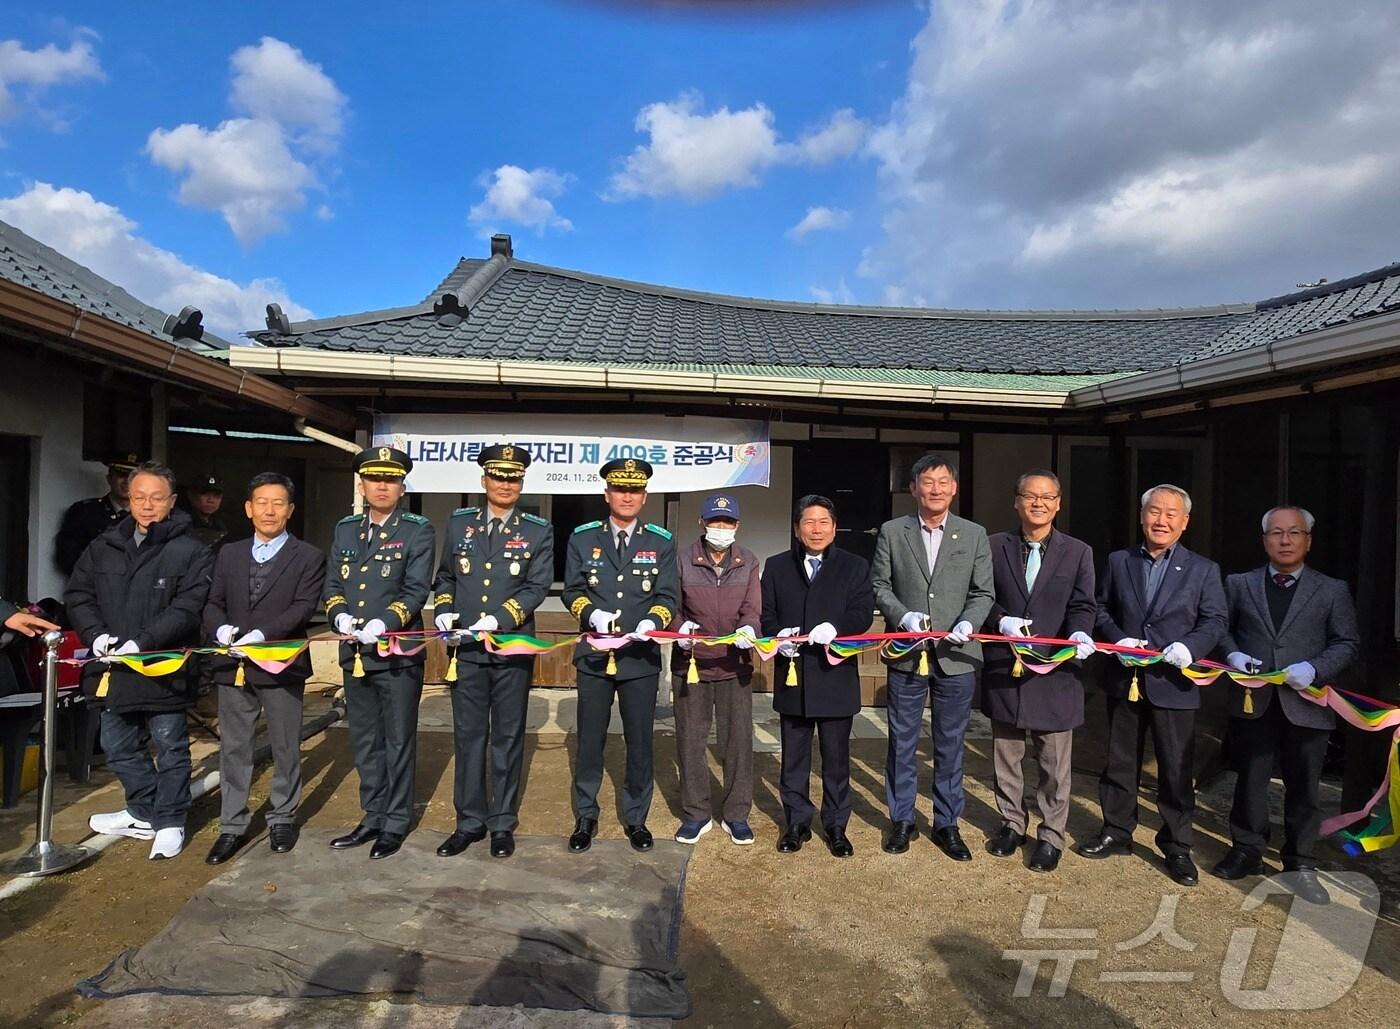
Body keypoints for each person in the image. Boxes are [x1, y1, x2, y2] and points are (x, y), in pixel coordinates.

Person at [1079, 484, 1227, 886]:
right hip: (1125, 676)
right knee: (1120, 759)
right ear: (1142, 516)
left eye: (1170, 514)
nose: (1161, 520)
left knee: (1176, 767)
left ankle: (1177, 845)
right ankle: (1116, 829)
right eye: (1154, 512)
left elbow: (1214, 620)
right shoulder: (1119, 560)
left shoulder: (1203, 569)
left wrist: (1190, 646)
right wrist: (1116, 637)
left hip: (1174, 681)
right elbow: (1101, 606)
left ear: (1184, 522)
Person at [1211, 506, 1359, 905]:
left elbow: (1347, 642)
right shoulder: (1238, 584)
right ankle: (1247, 849)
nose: (1285, 540)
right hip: (1252, 697)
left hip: (1308, 701)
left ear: (1308, 541)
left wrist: (1315, 667)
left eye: (1294, 533)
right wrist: (1234, 657)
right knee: (1251, 779)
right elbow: (1220, 629)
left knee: (1304, 785)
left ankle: (1301, 861)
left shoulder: (1332, 589)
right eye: (1276, 533)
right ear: (1264, 540)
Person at [65, 460, 213, 860]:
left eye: (157, 498)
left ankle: (171, 821)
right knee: (116, 744)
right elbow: (79, 595)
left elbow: (188, 606)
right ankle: (143, 809)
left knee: (170, 746)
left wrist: (144, 641)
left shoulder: (190, 549)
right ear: (128, 499)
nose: (147, 505)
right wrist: (96, 636)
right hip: (111, 663)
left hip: (162, 665)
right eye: (139, 497)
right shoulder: (104, 544)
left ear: (173, 501)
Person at [431, 444, 554, 860]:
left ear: (521, 483)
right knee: (467, 737)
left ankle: (501, 822)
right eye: (498, 477)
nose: (505, 484)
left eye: (513, 478)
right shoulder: (460, 523)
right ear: (484, 480)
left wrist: (500, 618)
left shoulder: (538, 530)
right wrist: (445, 610)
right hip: (466, 649)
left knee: (506, 736)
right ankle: (468, 822)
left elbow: (537, 586)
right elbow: (445, 576)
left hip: (511, 648)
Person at [871, 453, 993, 859]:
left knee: (950, 742)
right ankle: (902, 819)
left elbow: (983, 592)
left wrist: (968, 622)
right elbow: (880, 584)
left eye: (943, 482)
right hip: (907, 652)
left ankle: (947, 822)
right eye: (928, 481)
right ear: (914, 488)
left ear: (954, 488)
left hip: (956, 655)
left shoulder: (974, 534)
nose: (936, 489)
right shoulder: (893, 531)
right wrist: (901, 615)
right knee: (902, 741)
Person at [201, 472, 326, 865]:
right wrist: (219, 626)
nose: (269, 510)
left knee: (286, 744)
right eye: (261, 502)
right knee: (234, 746)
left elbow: (303, 607)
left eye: (278, 503)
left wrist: (261, 634)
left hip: (280, 661)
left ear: (289, 510)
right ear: (248, 508)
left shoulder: (308, 556)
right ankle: (232, 825)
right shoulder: (229, 553)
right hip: (232, 663)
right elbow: (212, 600)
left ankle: (282, 816)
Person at [322, 446, 435, 860]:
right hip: (355, 652)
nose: (382, 486)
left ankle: (396, 821)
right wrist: (339, 617)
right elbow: (333, 583)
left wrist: (385, 621)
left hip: (397, 650)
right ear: (362, 484)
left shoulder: (417, 530)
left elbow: (416, 587)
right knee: (365, 738)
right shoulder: (346, 529)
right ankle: (372, 814)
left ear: (402, 487)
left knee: (398, 738)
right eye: (374, 479)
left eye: (390, 479)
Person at [980, 470, 1096, 873]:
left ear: (1058, 503)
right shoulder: (994, 546)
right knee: (1006, 756)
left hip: (1056, 671)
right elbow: (982, 597)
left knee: (1053, 761)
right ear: (1017, 501)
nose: (1038, 504)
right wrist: (1000, 621)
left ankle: (1051, 835)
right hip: (1007, 669)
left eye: (1047, 497)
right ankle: (1012, 823)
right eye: (1030, 496)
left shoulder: (1078, 551)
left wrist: (1081, 631)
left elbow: (1084, 603)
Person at [562, 458, 678, 854]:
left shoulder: (661, 540)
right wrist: (589, 613)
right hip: (594, 655)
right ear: (606, 494)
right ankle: (586, 815)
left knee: (639, 742)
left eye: (635, 490)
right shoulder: (582, 537)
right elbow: (571, 590)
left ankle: (635, 817)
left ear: (644, 497)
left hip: (639, 658)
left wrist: (652, 621)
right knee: (590, 739)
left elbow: (668, 596)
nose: (627, 496)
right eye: (620, 489)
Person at [762, 495, 874, 858]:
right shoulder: (777, 566)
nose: (816, 529)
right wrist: (779, 637)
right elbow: (765, 614)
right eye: (808, 522)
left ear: (834, 527)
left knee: (836, 758)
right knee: (793, 756)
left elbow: (862, 614)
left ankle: (836, 824)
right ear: (797, 528)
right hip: (794, 675)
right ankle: (796, 821)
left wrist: (836, 627)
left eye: (823, 522)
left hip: (834, 675)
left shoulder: (854, 566)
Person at [671, 493, 762, 846]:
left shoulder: (748, 561)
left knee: (737, 740)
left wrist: (750, 628)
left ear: (737, 526)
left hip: (734, 664)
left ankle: (737, 814)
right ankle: (696, 814)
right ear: (702, 524)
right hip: (691, 663)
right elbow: (671, 605)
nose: (720, 529)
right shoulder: (683, 560)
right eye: (714, 522)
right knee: (691, 741)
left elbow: (753, 607)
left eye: (727, 523)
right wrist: (679, 627)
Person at [53, 452, 140, 577]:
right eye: (121, 475)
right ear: (109, 478)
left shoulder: (152, 517)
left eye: (133, 477)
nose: (127, 482)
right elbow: (67, 556)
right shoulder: (84, 512)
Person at [180, 474, 229, 550]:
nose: (211, 500)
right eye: (204, 493)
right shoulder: (180, 524)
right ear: (191, 495)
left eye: (216, 495)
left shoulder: (220, 525)